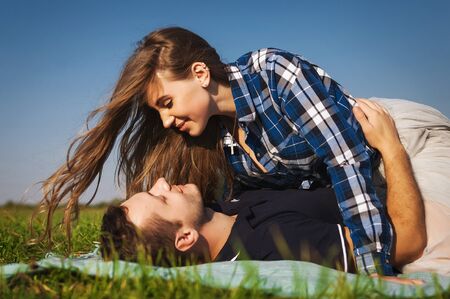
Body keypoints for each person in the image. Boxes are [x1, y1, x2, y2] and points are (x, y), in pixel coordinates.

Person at [99, 101, 428, 278]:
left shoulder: (220, 210)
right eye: (160, 197)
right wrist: (391, 148)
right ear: (184, 238)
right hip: (399, 174)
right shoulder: (273, 245)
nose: (161, 182)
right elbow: (406, 242)